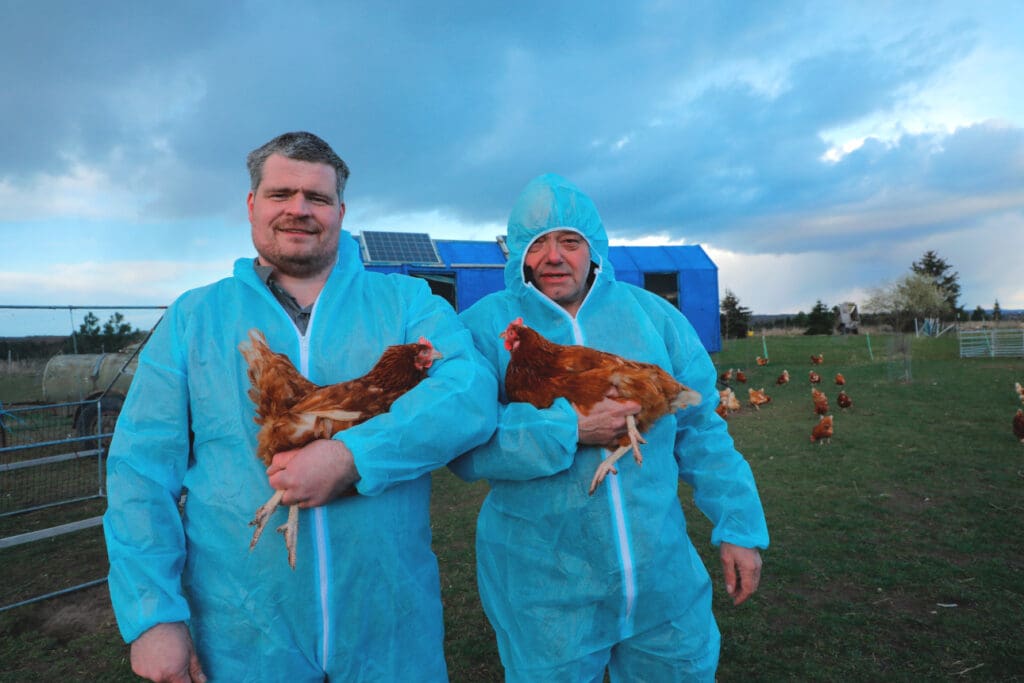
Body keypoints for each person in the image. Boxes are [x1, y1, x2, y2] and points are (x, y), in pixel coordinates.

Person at [103, 131, 497, 682]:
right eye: (280, 193)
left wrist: (353, 458)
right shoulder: (197, 317)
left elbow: (469, 393)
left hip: (388, 626)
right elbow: (139, 472)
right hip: (243, 633)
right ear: (251, 205)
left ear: (340, 210)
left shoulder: (407, 303)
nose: (298, 210)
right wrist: (154, 616)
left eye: (316, 197)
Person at [450, 173, 769, 682]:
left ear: (593, 247)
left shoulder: (653, 319)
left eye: (570, 241)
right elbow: (463, 443)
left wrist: (739, 529)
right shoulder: (482, 328)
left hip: (660, 578)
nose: (554, 256)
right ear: (519, 255)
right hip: (544, 585)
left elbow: (702, 432)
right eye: (539, 244)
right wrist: (567, 429)